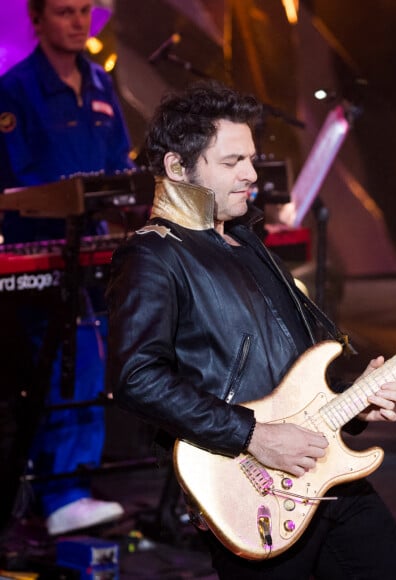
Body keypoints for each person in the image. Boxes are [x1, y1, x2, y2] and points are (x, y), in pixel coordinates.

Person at [106, 81, 396, 579]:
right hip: (254, 491)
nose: (252, 174)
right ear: (176, 167)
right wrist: (253, 435)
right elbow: (136, 377)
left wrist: (352, 399)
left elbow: (290, 367)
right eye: (232, 163)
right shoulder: (154, 256)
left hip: (328, 475)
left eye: (251, 159)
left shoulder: (248, 242)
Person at [0, 0, 133, 535]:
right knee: (63, 364)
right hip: (43, 254)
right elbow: (19, 185)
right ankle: (62, 493)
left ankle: (67, 487)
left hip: (96, 252)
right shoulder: (13, 90)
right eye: (63, 12)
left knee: (92, 360)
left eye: (84, 11)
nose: (78, 22)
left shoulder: (101, 83)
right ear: (36, 20)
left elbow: (121, 168)